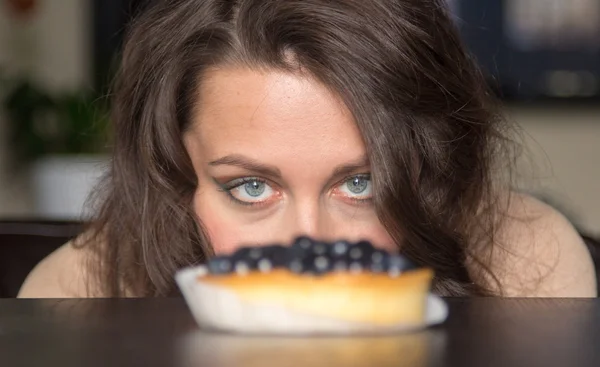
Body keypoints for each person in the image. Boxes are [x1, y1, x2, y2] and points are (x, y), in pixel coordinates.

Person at [18, 0, 596, 298]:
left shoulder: (524, 261)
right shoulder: (78, 292)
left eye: (359, 184)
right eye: (251, 188)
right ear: (178, 170)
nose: (308, 243)